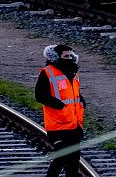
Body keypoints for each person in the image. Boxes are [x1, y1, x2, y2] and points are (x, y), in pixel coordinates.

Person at [36, 44, 85, 177]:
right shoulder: (47, 72)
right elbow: (40, 95)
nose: (69, 58)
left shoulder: (74, 72)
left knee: (74, 161)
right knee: (61, 158)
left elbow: (72, 93)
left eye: (70, 55)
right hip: (58, 124)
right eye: (65, 56)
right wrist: (59, 105)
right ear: (57, 57)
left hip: (74, 123)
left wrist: (81, 100)